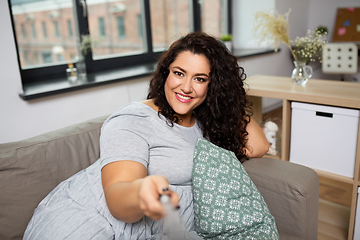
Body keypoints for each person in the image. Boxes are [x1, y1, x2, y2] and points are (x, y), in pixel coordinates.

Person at [24, 32, 269, 239]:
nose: (185, 87)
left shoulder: (205, 123)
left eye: (200, 79)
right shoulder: (134, 119)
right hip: (88, 218)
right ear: (166, 73)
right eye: (179, 73)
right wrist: (142, 192)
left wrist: (224, 101)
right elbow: (118, 199)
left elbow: (258, 145)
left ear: (213, 85)